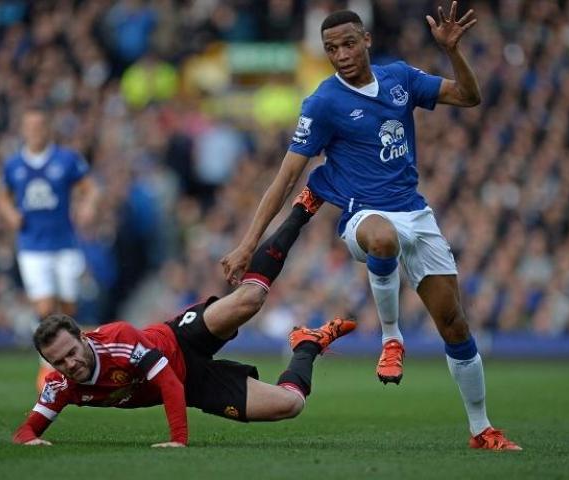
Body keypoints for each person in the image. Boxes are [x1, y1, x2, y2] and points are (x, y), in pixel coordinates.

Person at [220, 3, 521, 451]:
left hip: (415, 215)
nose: (340, 54)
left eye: (346, 44)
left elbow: (468, 96)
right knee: (381, 237)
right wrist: (248, 244)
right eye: (330, 48)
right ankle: (392, 338)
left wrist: (454, 52)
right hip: (363, 216)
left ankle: (482, 429)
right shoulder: (322, 103)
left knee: (455, 324)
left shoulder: (399, 78)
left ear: (366, 41)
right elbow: (285, 179)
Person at [12, 209, 357, 447]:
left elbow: (165, 382)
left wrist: (178, 439)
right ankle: (307, 345)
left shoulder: (119, 340)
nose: (70, 364)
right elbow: (26, 431)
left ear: (83, 337)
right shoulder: (62, 384)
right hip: (193, 385)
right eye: (59, 362)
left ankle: (301, 211)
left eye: (71, 353)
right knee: (290, 405)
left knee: (249, 300)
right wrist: (30, 439)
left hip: (179, 338)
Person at [0, 106, 100, 390]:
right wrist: (9, 214)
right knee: (44, 307)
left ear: (48, 128)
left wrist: (88, 205)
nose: (35, 131)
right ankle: (46, 367)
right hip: (32, 246)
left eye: (40, 126)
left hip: (65, 244)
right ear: (23, 130)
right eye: (30, 126)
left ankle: (74, 359)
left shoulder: (66, 159)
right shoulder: (13, 164)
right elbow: (3, 197)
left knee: (67, 308)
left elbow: (90, 187)